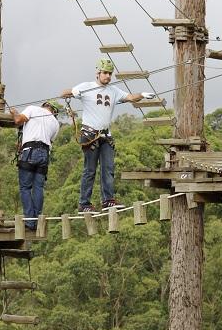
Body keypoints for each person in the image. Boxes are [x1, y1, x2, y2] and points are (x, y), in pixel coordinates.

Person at [61, 58, 155, 214]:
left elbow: (130, 97)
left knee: (108, 168)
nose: (108, 76)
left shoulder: (113, 91)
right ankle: (84, 203)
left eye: (110, 74)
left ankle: (108, 200)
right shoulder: (87, 86)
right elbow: (64, 93)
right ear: (98, 73)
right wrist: (74, 92)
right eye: (105, 73)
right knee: (90, 170)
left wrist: (143, 94)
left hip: (106, 136)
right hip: (90, 134)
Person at [10, 101, 60, 230]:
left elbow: (18, 120)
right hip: (44, 154)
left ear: (44, 106)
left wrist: (15, 112)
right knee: (38, 187)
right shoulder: (55, 123)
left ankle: (29, 221)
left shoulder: (33, 109)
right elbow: (50, 140)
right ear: (54, 111)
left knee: (25, 187)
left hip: (30, 151)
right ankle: (37, 220)